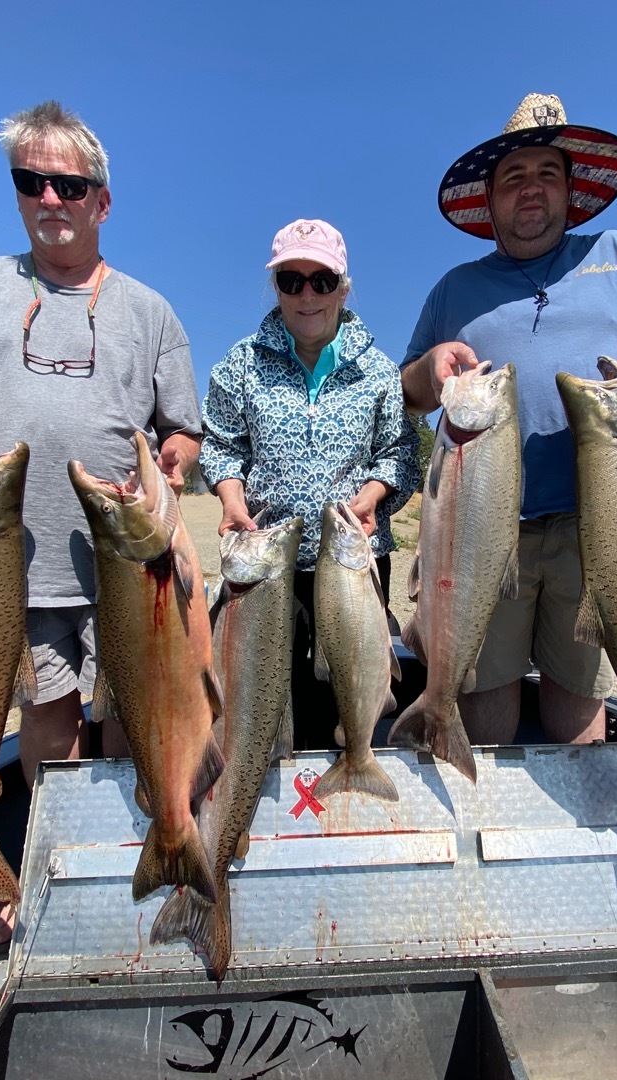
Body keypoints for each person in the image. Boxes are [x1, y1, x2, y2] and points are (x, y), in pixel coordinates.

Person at [0, 101, 202, 940]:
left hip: (123, 561)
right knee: (47, 717)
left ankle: (126, 854)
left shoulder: (152, 311)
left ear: (102, 201)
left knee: (126, 716)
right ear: (19, 193)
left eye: (70, 185)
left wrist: (175, 456)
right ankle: (42, 862)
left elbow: (182, 425)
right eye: (32, 181)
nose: (51, 199)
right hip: (1, 561)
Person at [400, 93, 617, 747]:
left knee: (580, 703)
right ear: (490, 201)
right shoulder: (454, 288)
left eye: (547, 173)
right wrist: (431, 370)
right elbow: (407, 395)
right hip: (484, 531)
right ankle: (485, 816)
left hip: (604, 528)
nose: (531, 190)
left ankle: (580, 828)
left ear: (571, 190)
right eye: (513, 178)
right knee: (484, 704)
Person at [200, 219, 420, 749]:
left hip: (353, 564)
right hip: (265, 567)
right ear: (273, 287)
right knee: (263, 700)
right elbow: (221, 445)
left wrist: (371, 499)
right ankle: (274, 812)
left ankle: (344, 786)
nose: (306, 294)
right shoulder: (239, 365)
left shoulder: (379, 370)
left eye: (321, 280)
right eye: (290, 280)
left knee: (343, 697)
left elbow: (400, 456)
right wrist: (231, 500)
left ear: (343, 288)